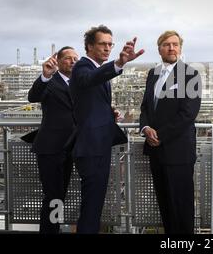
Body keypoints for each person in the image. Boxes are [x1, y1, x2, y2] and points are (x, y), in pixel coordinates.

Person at [69, 25, 144, 233]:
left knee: (95, 204)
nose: (107, 48)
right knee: (92, 205)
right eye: (102, 44)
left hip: (97, 144)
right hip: (90, 147)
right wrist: (119, 63)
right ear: (89, 46)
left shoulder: (94, 68)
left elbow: (88, 100)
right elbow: (87, 80)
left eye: (110, 44)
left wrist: (106, 112)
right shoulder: (82, 67)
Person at [139, 30, 201, 234]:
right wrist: (146, 128)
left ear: (180, 48)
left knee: (181, 207)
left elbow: (188, 114)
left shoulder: (190, 74)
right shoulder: (152, 74)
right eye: (167, 44)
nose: (171, 48)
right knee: (165, 204)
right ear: (159, 49)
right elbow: (146, 108)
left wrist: (160, 136)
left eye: (175, 44)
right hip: (155, 152)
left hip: (178, 152)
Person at [25, 46, 79, 234]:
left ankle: (51, 229)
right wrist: (45, 76)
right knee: (53, 196)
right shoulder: (50, 81)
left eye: (75, 58)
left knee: (60, 195)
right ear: (58, 61)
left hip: (70, 148)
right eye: (68, 58)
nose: (73, 61)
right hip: (50, 149)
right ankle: (49, 231)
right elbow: (33, 97)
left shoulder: (78, 83)